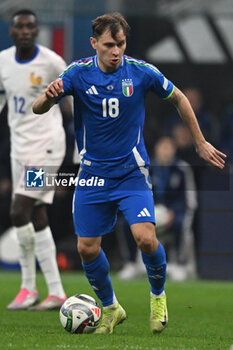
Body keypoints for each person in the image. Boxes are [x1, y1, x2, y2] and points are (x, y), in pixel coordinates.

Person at [32, 13, 226, 333]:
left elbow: (178, 98)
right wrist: (48, 96)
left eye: (120, 44)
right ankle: (110, 308)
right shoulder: (78, 74)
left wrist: (200, 142)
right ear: (94, 43)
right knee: (86, 248)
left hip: (131, 173)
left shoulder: (140, 72)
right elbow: (39, 106)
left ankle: (158, 295)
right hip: (93, 175)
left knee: (146, 239)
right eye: (109, 44)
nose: (116, 50)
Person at [0, 9, 68, 310]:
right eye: (20, 27)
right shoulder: (2, 62)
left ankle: (28, 287)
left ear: (37, 30)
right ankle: (55, 291)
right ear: (12, 32)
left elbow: (75, 100)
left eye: (30, 26)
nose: (25, 31)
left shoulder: (52, 62)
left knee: (18, 211)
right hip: (20, 148)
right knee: (37, 216)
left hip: (47, 148)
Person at [151, 136, 197, 281]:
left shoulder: (182, 168)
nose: (165, 151)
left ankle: (180, 264)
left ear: (173, 150)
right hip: (153, 212)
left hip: (177, 212)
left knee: (181, 224)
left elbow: (189, 199)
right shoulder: (148, 168)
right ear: (156, 149)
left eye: (168, 148)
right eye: (162, 147)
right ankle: (133, 263)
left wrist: (174, 212)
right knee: (126, 224)